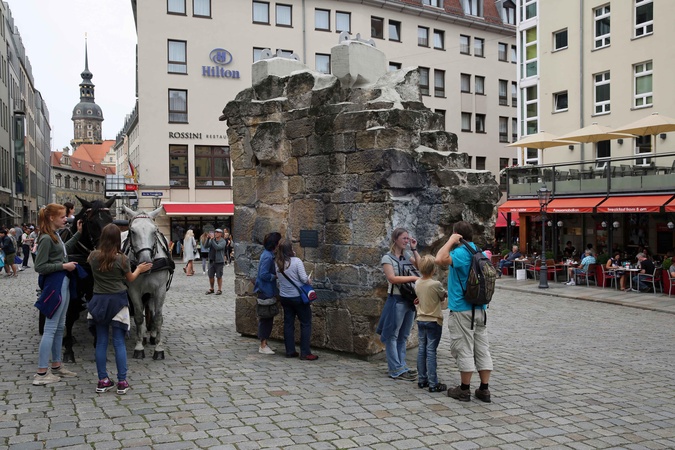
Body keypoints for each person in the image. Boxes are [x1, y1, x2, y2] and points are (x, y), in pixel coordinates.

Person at [87, 224, 152, 395]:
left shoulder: (93, 256)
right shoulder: (122, 259)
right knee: (118, 342)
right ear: (118, 239)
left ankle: (102, 380)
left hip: (98, 301)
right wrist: (139, 269)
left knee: (101, 342)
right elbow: (130, 279)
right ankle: (122, 381)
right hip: (117, 301)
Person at [435, 221, 493, 403]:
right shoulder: (478, 251)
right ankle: (484, 389)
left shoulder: (461, 252)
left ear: (458, 235)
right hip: (480, 308)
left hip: (462, 308)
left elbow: (439, 259)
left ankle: (464, 389)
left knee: (464, 347)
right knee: (482, 348)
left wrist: (451, 240)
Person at [32, 203, 83, 385]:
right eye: (62, 217)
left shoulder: (56, 235)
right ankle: (41, 373)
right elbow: (39, 266)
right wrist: (63, 266)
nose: (65, 219)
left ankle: (56, 365)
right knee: (51, 328)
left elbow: (63, 250)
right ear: (51, 218)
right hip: (55, 284)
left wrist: (78, 234)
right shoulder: (46, 238)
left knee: (60, 326)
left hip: (63, 282)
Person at [376, 227, 420, 381]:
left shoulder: (407, 255)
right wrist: (413, 279)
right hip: (396, 300)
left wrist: (414, 249)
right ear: (395, 239)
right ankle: (395, 369)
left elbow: (421, 267)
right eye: (404, 238)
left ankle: (402, 366)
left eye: (408, 238)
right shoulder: (387, 258)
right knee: (392, 335)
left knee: (404, 335)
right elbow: (392, 278)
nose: (406, 241)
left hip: (409, 300)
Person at [275, 238, 318, 360]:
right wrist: (309, 280)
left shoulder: (277, 263)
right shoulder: (297, 261)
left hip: (285, 296)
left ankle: (290, 350)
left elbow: (278, 277)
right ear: (290, 249)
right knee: (305, 323)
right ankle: (305, 352)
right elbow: (304, 279)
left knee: (288, 323)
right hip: (298, 297)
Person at [414, 254, 447, 393]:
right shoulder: (436, 284)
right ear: (433, 269)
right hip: (433, 319)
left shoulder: (417, 282)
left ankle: (422, 379)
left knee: (422, 349)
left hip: (421, 319)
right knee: (431, 351)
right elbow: (443, 295)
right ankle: (433, 383)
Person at [253, 232, 282, 355]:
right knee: (266, 318)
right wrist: (275, 276)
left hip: (268, 290)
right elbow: (263, 274)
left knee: (268, 318)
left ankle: (265, 343)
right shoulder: (267, 257)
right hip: (265, 290)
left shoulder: (268, 255)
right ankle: (263, 345)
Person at [205, 228, 227, 295]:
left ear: (221, 234)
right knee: (210, 275)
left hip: (219, 261)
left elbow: (217, 247)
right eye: (215, 232)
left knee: (219, 276)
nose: (216, 233)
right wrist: (208, 239)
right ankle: (211, 288)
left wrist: (212, 240)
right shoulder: (213, 240)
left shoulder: (223, 241)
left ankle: (219, 289)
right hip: (211, 260)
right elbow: (206, 246)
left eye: (217, 232)